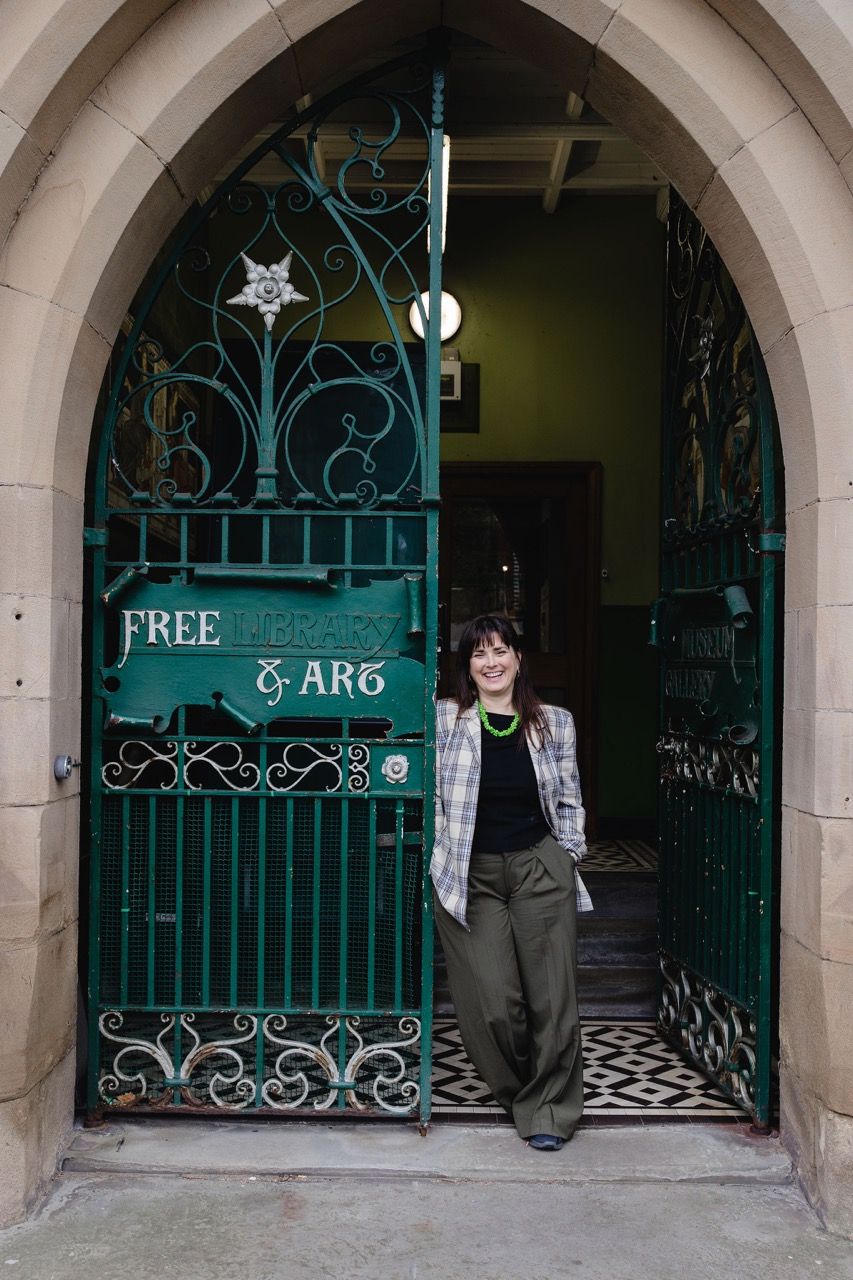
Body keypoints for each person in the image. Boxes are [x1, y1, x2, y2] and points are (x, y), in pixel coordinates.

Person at [431, 613, 593, 1150]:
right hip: (469, 873)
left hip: (539, 866)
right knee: (493, 1000)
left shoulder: (555, 723)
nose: (491, 662)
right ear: (467, 667)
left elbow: (568, 797)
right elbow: (430, 797)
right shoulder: (444, 721)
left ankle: (550, 1111)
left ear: (519, 659)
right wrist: (439, 851)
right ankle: (526, 1089)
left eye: (501, 651)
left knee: (552, 995)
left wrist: (567, 855)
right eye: (479, 654)